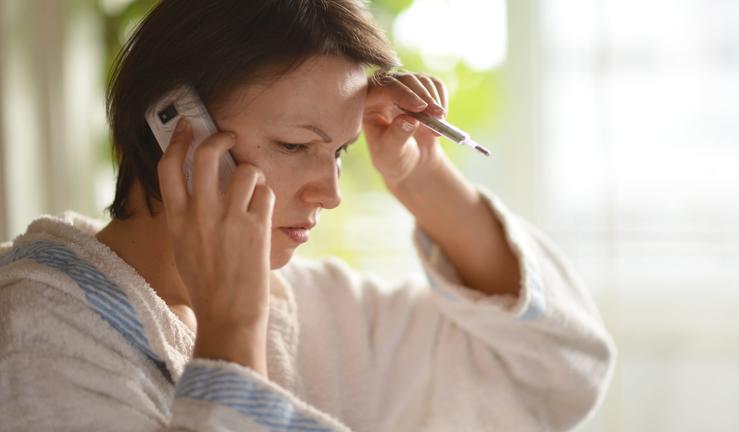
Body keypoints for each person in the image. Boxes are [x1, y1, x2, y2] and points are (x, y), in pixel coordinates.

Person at [0, 0, 616, 431]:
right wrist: (232, 330)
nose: (330, 193)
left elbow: (558, 373)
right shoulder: (36, 336)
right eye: (295, 146)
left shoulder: (313, 311)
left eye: (340, 151)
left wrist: (421, 176)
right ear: (178, 130)